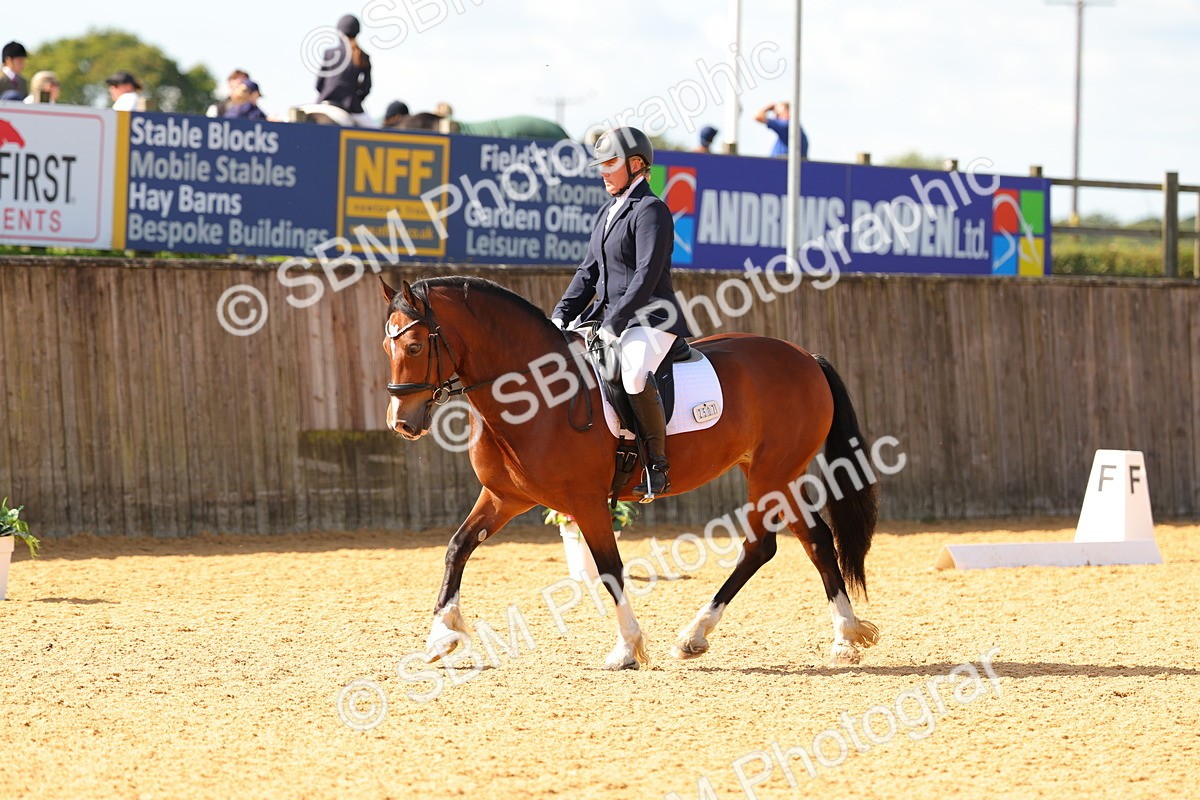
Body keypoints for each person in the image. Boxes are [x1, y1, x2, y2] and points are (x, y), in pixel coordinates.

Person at [551, 127, 693, 500]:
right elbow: (588, 273)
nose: (603, 171)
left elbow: (646, 275)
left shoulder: (651, 210)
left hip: (652, 318)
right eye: (601, 164)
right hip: (608, 317)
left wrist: (615, 323)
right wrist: (560, 316)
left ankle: (657, 466)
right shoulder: (607, 211)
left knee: (631, 373)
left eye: (610, 163)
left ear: (636, 164)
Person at [315, 14, 375, 127]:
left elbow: (318, 85)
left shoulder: (329, 53)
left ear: (340, 32)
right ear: (357, 32)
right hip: (351, 105)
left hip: (324, 100)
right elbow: (366, 88)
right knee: (376, 131)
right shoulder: (363, 56)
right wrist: (357, 97)